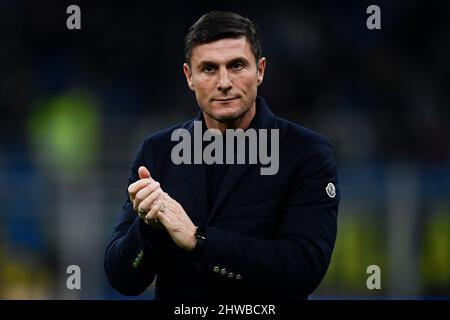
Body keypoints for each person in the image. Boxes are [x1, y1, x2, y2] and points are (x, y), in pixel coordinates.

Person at [104, 11, 339, 300]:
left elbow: (303, 269)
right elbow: (122, 278)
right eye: (209, 69)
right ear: (190, 77)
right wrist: (148, 229)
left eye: (237, 65)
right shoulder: (157, 152)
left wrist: (199, 241)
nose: (224, 82)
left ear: (261, 70)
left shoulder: (306, 153)